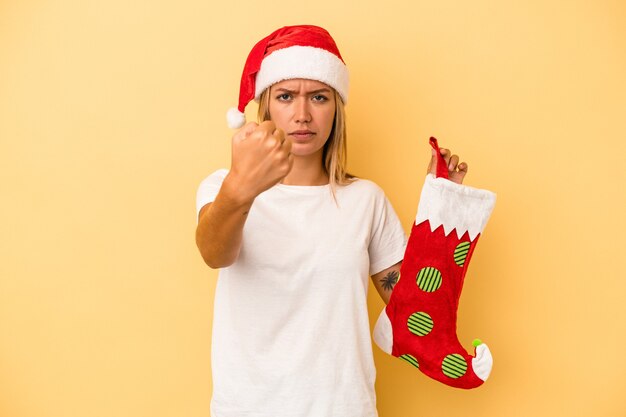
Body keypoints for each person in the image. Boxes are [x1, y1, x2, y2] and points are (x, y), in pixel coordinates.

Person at [195, 25, 472, 417]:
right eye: (287, 96)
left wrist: (443, 211)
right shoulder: (222, 188)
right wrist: (243, 185)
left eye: (319, 97)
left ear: (335, 108)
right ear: (267, 107)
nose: (302, 114)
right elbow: (214, 252)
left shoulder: (366, 201)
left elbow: (413, 315)